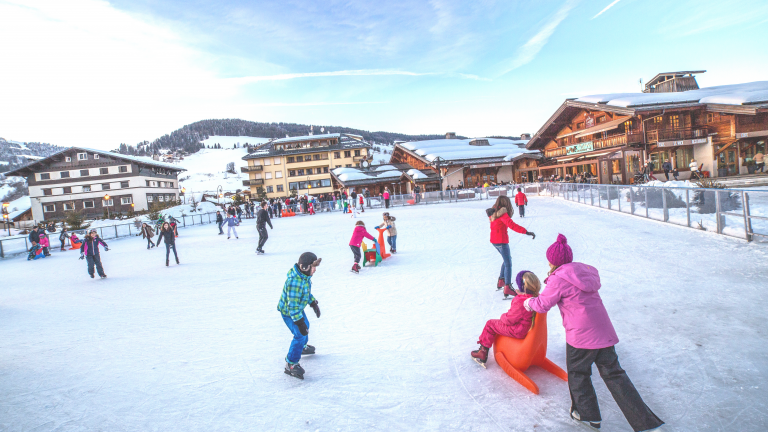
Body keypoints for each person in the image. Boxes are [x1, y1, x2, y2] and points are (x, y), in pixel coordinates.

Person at [523, 234, 664, 432]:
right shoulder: (583, 272)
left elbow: (543, 304)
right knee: (616, 375)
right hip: (604, 332)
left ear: (552, 261)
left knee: (578, 373)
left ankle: (588, 416)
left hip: (581, 336)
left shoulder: (558, 278)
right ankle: (646, 424)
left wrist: (528, 302)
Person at [471, 271, 541, 367]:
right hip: (527, 328)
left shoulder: (521, 301)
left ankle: (482, 352)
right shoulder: (537, 298)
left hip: (517, 330)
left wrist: (503, 316)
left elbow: (509, 319)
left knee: (490, 324)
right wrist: (521, 293)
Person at [277, 252, 322, 380]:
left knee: (305, 327)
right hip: (289, 312)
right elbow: (292, 307)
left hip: (297, 309)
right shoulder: (294, 282)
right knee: (300, 334)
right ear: (304, 267)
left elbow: (305, 294)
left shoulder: (304, 277)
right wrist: (299, 323)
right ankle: (290, 363)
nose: (315, 270)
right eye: (313, 267)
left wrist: (313, 303)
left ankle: (301, 347)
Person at [487, 196, 535, 299]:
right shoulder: (502, 214)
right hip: (501, 241)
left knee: (506, 260)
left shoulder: (494, 212)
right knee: (508, 263)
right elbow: (512, 225)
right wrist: (526, 231)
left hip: (495, 241)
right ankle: (507, 286)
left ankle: (501, 281)